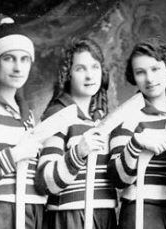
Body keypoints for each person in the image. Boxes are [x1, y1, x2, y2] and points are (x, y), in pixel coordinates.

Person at [35, 38, 117, 229]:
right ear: (68, 75)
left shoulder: (101, 118)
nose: (90, 76)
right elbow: (44, 181)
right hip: (69, 216)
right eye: (80, 69)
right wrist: (77, 153)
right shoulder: (58, 115)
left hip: (104, 215)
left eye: (94, 67)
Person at [107, 37, 166, 229]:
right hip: (143, 211)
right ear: (133, 76)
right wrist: (136, 143)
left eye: (155, 69)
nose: (149, 79)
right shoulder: (127, 114)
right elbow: (118, 178)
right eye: (140, 72)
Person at [0, 17, 45, 229]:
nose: (18, 67)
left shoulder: (28, 114)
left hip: (30, 212)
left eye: (25, 59)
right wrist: (17, 153)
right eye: (9, 58)